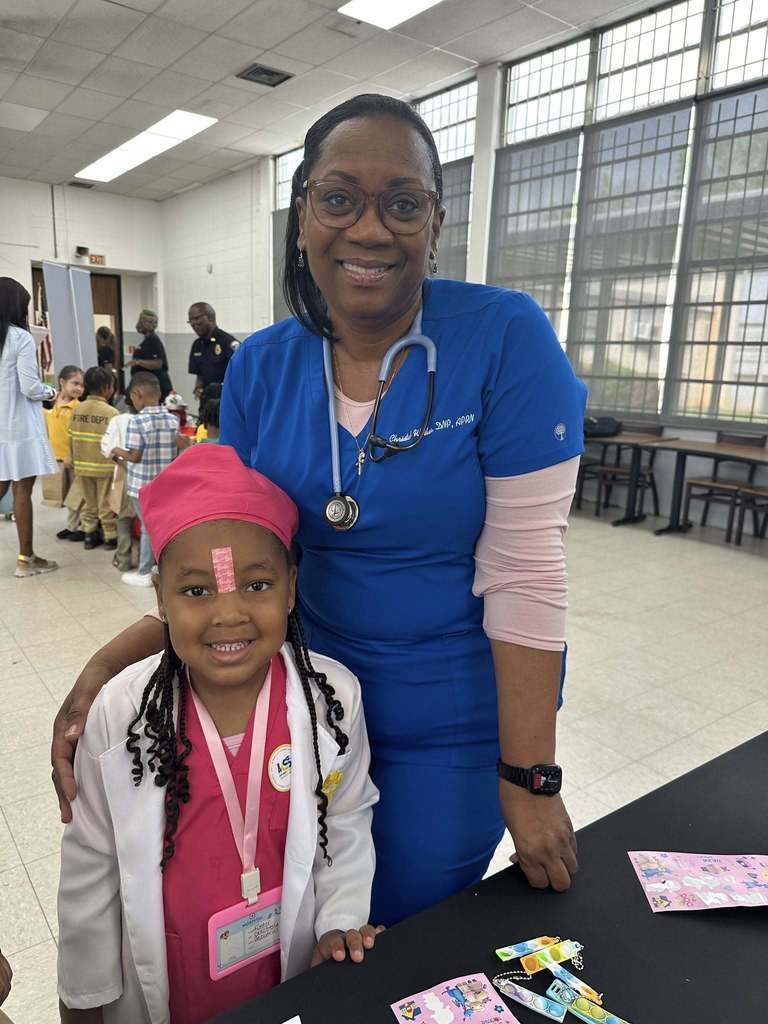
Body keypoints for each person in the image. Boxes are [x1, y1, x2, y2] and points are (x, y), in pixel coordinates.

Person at [52, 94, 587, 926]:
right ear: (303, 216)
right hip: (306, 707)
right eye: (338, 199)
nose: (369, 230)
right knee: (309, 932)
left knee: (405, 924)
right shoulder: (262, 366)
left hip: (456, 721)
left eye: (402, 204)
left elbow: (526, 572)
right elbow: (237, 559)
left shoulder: (504, 338)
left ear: (436, 225)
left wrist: (529, 776)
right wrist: (108, 666)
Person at [57, 444, 380, 1024]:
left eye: (256, 585)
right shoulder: (122, 715)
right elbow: (91, 865)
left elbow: (347, 819)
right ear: (160, 596)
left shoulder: (332, 700)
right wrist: (83, 1000)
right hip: (170, 988)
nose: (229, 614)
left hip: (286, 974)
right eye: (197, 591)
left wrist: (339, 920)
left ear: (291, 587)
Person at [0, 276, 59, 578]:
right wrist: (51, 391)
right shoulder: (20, 338)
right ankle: (26, 559)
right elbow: (30, 387)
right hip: (19, 427)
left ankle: (28, 557)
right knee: (22, 489)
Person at [113, 372, 181, 588]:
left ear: (137, 394)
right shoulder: (173, 420)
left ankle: (144, 572)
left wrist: (116, 450)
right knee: (164, 526)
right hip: (166, 486)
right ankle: (164, 568)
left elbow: (135, 456)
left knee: (147, 528)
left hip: (141, 487)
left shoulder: (137, 421)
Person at [68, 366, 118, 551]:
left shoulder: (77, 409)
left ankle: (89, 535)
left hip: (82, 465)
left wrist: (73, 459)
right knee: (105, 503)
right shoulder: (112, 413)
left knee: (88, 502)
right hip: (104, 466)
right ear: (107, 388)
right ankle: (110, 536)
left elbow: (71, 436)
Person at [44, 365, 85, 542]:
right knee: (69, 495)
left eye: (81, 385)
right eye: (75, 383)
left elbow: (77, 435)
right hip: (58, 457)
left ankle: (84, 527)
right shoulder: (53, 404)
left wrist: (71, 454)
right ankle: (72, 525)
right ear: (62, 382)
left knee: (79, 494)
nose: (79, 388)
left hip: (73, 458)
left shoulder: (78, 407)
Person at [100, 405, 136, 574]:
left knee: (124, 518)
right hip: (154, 477)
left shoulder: (119, 420)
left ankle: (123, 559)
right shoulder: (164, 418)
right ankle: (151, 563)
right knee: (148, 523)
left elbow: (106, 446)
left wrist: (118, 457)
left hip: (125, 473)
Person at [187, 303, 238, 404]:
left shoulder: (227, 342)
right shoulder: (197, 345)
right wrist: (198, 387)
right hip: (206, 403)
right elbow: (200, 375)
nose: (193, 323)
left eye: (196, 318)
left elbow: (241, 373)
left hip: (225, 402)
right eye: (190, 320)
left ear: (210, 318)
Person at [127, 310, 172, 400]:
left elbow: (158, 363)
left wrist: (138, 362)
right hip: (147, 386)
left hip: (157, 387)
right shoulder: (147, 340)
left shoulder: (153, 340)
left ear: (144, 323)